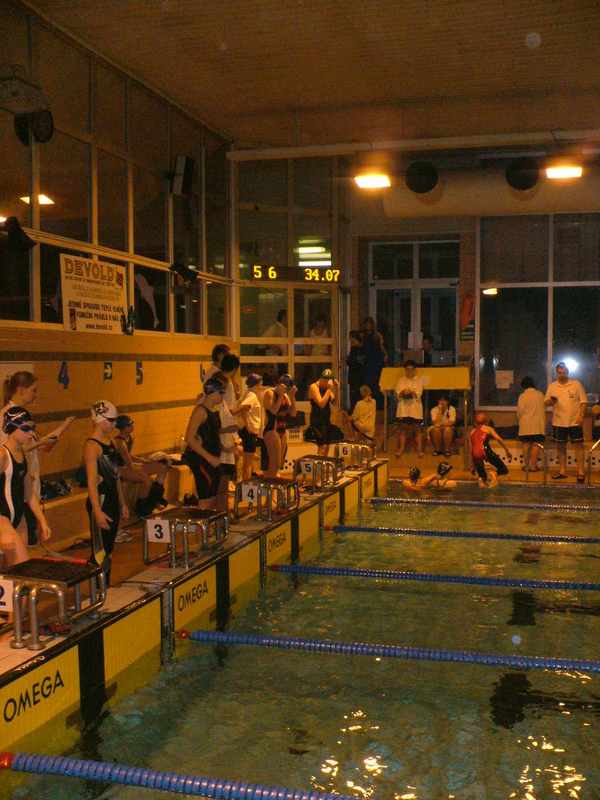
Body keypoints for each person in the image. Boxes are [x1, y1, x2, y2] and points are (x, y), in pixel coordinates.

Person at [1, 371, 75, 544]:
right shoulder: (8, 419)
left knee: (25, 549)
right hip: (10, 501)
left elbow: (44, 446)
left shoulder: (24, 419)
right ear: (21, 390)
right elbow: (13, 450)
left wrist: (63, 426)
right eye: (33, 390)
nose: (36, 395)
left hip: (24, 494)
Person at [83, 401, 129, 586]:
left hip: (112, 500)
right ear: (99, 420)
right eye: (111, 420)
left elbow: (116, 476)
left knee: (108, 549)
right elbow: (91, 483)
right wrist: (97, 511)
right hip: (100, 502)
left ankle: (105, 587)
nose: (114, 424)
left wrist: (122, 503)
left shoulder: (110, 443)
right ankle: (97, 590)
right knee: (99, 551)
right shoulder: (92, 446)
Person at [0, 407, 51, 572]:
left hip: (18, 518)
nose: (31, 433)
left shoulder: (23, 455)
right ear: (11, 427)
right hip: (2, 519)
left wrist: (42, 521)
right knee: (22, 570)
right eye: (26, 428)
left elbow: (29, 494)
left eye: (32, 428)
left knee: (11, 574)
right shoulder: (2, 455)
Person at [182, 374, 227, 509]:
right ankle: (200, 522)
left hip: (210, 459)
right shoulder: (200, 411)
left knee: (212, 497)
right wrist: (209, 458)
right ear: (212, 393)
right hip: (201, 460)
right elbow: (189, 438)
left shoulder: (212, 410)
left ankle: (206, 521)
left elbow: (211, 435)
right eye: (221, 392)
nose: (223, 396)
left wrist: (226, 449)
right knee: (206, 499)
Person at [113, 415, 169, 523]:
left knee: (162, 467)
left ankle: (155, 499)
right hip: (119, 469)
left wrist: (144, 461)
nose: (132, 426)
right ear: (123, 428)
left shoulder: (129, 438)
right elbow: (129, 463)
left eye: (132, 424)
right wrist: (142, 467)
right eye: (130, 425)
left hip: (128, 465)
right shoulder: (120, 442)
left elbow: (129, 456)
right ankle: (141, 509)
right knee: (146, 480)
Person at [545, 362, 587, 481]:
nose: (562, 375)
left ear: (568, 372)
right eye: (559, 373)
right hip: (558, 422)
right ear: (556, 373)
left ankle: (581, 471)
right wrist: (551, 401)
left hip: (574, 421)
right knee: (560, 447)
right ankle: (562, 471)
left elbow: (583, 402)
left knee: (579, 446)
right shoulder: (552, 386)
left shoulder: (576, 384)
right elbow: (546, 402)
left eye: (564, 373)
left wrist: (581, 416)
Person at [215, 353, 242, 512]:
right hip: (222, 443)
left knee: (222, 483)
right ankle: (222, 513)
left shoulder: (220, 404)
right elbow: (214, 429)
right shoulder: (226, 386)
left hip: (224, 441)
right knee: (221, 484)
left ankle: (223, 512)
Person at [262, 373, 296, 477]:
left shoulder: (285, 395)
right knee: (273, 464)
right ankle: (269, 484)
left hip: (282, 430)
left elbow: (293, 413)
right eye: (285, 388)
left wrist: (292, 397)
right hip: (271, 430)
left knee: (280, 464)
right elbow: (273, 411)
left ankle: (273, 484)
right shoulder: (269, 393)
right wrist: (280, 395)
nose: (286, 390)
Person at [304, 369, 344, 456]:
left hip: (326, 421)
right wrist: (329, 389)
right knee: (322, 446)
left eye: (328, 382)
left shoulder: (327, 389)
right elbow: (321, 404)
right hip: (316, 422)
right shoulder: (314, 387)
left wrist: (337, 389)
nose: (326, 384)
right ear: (321, 379)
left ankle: (324, 463)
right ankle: (319, 464)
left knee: (327, 446)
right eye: (325, 381)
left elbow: (335, 403)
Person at [470, 411, 511, 488]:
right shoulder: (488, 428)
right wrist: (507, 450)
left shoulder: (472, 432)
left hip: (475, 454)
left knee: (482, 477)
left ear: (475, 422)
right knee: (503, 470)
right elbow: (499, 439)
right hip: (485, 450)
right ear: (486, 421)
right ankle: (493, 474)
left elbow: (472, 449)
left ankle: (482, 480)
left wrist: (472, 465)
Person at [394, 360, 424, 458]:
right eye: (407, 369)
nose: (409, 371)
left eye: (411, 369)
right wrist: (403, 392)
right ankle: (401, 449)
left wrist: (410, 392)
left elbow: (418, 394)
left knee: (417, 430)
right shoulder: (401, 380)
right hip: (403, 409)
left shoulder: (419, 380)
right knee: (402, 429)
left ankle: (419, 450)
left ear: (415, 370)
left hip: (415, 409)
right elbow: (397, 394)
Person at [517, 376, 546, 473]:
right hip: (538, 425)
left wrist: (519, 419)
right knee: (536, 445)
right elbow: (543, 408)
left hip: (525, 424)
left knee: (526, 444)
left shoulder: (522, 396)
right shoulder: (540, 394)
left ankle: (526, 466)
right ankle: (533, 466)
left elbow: (520, 411)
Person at [239, 373, 264, 480]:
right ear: (256, 384)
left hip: (248, 431)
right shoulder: (252, 396)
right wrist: (248, 425)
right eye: (260, 383)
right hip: (249, 432)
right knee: (248, 463)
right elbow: (243, 408)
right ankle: (246, 485)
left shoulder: (248, 393)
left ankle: (246, 483)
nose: (262, 386)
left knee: (248, 460)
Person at [361, 317, 386, 406]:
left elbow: (381, 347)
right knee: (368, 384)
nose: (368, 326)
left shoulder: (377, 336)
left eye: (369, 324)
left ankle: (378, 405)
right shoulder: (363, 336)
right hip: (368, 363)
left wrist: (384, 356)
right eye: (366, 324)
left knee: (376, 384)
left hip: (376, 362)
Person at [346, 330, 366, 411]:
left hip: (358, 376)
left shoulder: (359, 349)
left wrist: (349, 360)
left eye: (351, 339)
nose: (350, 341)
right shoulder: (355, 348)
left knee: (356, 396)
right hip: (355, 376)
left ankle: (356, 412)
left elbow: (354, 361)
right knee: (354, 396)